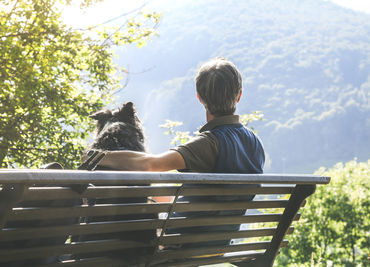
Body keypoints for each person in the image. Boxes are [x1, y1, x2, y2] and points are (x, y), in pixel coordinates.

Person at [97, 57, 265, 247]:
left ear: (199, 97)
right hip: (219, 244)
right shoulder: (255, 143)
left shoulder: (209, 144)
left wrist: (101, 156)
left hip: (182, 243)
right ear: (239, 96)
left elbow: (150, 165)